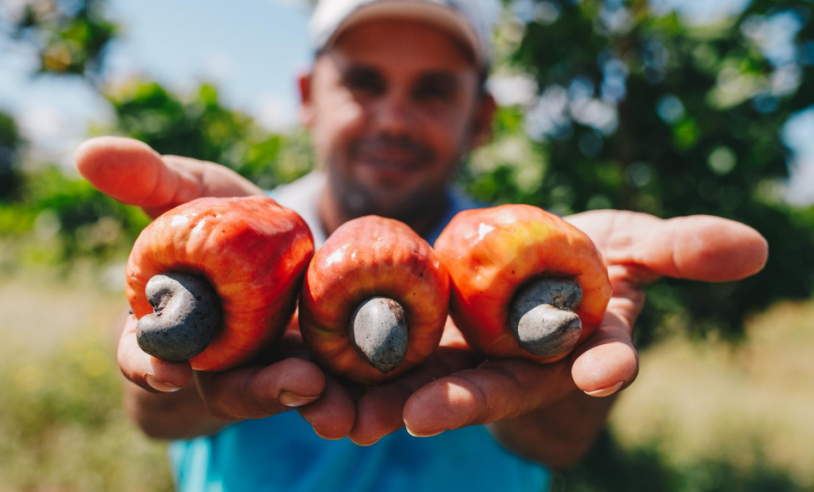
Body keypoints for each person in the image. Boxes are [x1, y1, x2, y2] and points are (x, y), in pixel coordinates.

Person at [74, 0, 769, 490]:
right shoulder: (230, 225)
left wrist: (571, 346)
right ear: (309, 95)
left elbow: (558, 444)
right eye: (363, 83)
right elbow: (155, 416)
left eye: (433, 91)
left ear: (481, 119)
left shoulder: (527, 247)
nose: (394, 118)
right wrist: (201, 351)